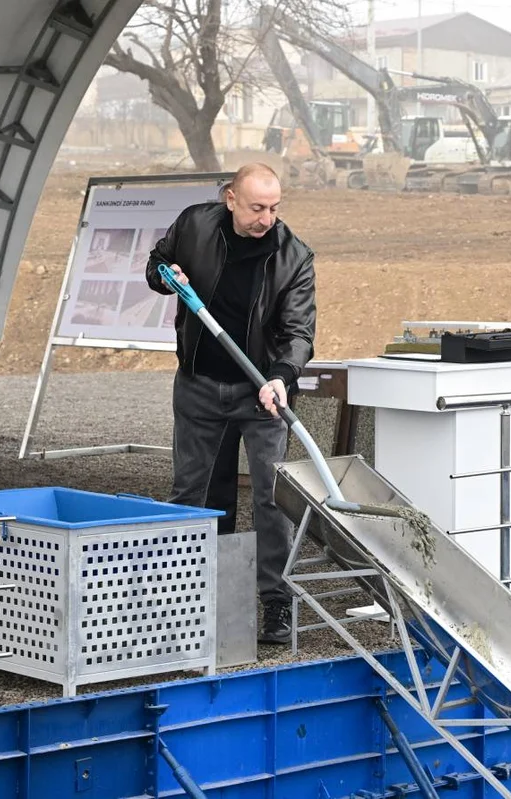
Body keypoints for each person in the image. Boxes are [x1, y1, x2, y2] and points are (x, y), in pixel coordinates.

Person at [145, 162, 316, 646]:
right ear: (231, 199)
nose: (267, 218)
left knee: (270, 497)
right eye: (258, 207)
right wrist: (166, 277)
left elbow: (299, 333)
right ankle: (181, 596)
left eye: (275, 207)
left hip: (261, 392)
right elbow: (156, 262)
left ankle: (275, 603)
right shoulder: (194, 225)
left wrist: (281, 378)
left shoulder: (293, 256)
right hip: (199, 383)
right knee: (192, 492)